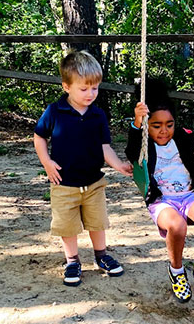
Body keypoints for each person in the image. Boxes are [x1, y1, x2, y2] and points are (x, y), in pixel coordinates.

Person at [34, 50, 132, 287]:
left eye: (95, 88)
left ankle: (101, 255)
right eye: (84, 88)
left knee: (97, 222)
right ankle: (72, 260)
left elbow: (104, 147)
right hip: (63, 183)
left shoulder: (98, 115)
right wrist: (46, 162)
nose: (91, 94)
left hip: (94, 182)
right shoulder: (55, 111)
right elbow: (39, 137)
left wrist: (119, 165)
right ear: (66, 86)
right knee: (67, 226)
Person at [125, 83, 194, 303]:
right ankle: (177, 272)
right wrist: (137, 124)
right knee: (177, 226)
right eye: (156, 125)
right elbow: (132, 150)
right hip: (161, 200)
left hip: (188, 195)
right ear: (148, 125)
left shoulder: (182, 138)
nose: (164, 130)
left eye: (169, 124)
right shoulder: (145, 145)